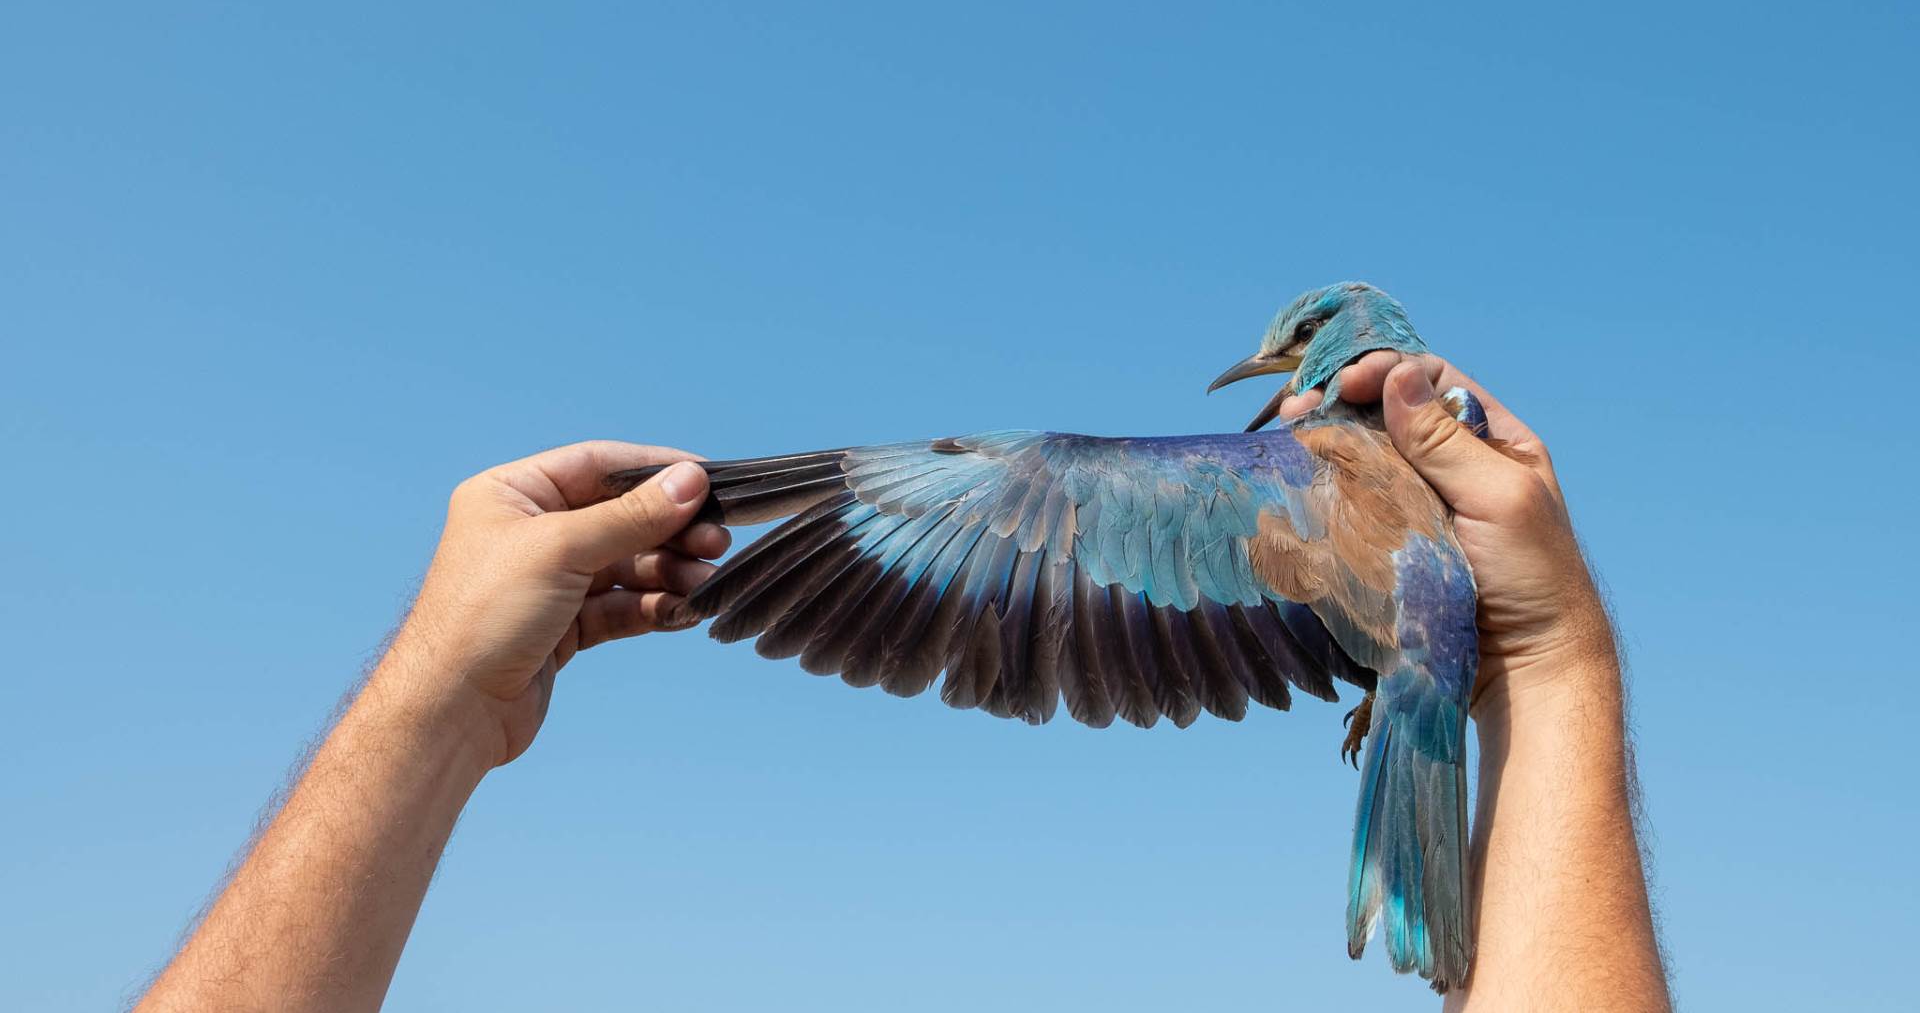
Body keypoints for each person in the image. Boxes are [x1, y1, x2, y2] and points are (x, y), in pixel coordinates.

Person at [132, 358, 1671, 1013]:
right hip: (1433, 661)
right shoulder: (1437, 498)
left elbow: (1003, 504)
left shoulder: (1253, 457)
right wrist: (1561, 652)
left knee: (1029, 471)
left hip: (1384, 653)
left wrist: (440, 692)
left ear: (1340, 370)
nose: (1274, 374)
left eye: (1295, 356)